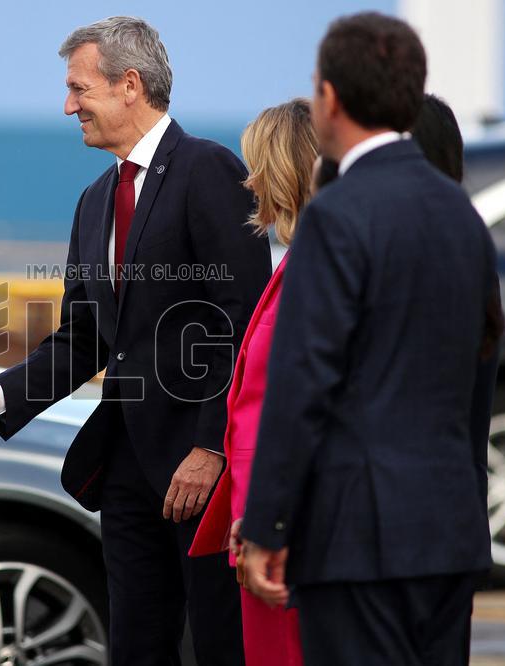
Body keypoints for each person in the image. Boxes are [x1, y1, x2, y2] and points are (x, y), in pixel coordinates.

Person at [0, 16, 272, 665]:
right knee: (136, 647)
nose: (69, 107)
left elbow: (240, 319)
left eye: (78, 88)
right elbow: (82, 340)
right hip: (124, 473)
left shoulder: (208, 168)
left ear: (128, 84)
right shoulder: (94, 201)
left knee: (219, 646)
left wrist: (211, 446)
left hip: (199, 475)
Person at [238, 12, 502, 665]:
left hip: (359, 537)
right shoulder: (464, 219)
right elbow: (475, 381)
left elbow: (304, 382)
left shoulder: (338, 214)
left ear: (330, 98)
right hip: (451, 532)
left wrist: (270, 523)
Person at [190, 99, 316, 666]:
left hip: (283, 532)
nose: (250, 180)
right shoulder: (300, 262)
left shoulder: (319, 272)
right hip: (263, 523)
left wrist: (267, 518)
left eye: (258, 164)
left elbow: (296, 409)